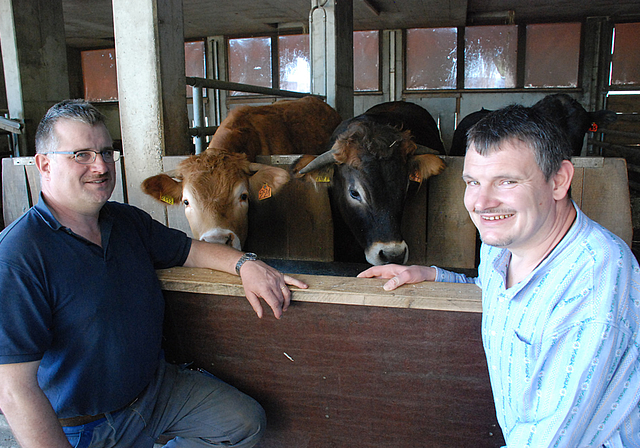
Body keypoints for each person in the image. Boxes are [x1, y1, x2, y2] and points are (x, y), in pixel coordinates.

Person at [0, 99, 308, 448]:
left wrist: (245, 264)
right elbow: (13, 391)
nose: (100, 166)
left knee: (244, 422)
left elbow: (191, 250)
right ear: (44, 164)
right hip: (85, 427)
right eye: (81, 155)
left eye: (106, 152)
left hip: (153, 395)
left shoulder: (124, 221)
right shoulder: (18, 256)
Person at [359, 105, 640, 447]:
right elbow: (494, 290)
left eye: (507, 181)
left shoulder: (593, 284)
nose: (481, 202)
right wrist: (431, 274)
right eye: (473, 182)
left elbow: (546, 439)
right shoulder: (503, 243)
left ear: (559, 180)